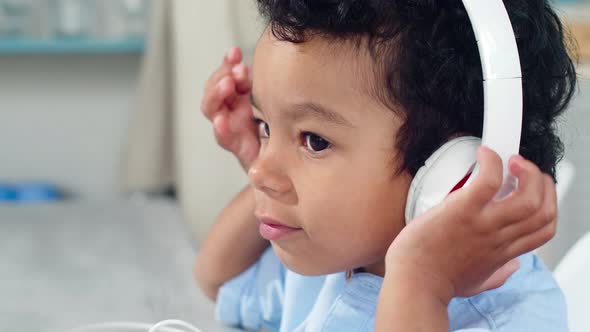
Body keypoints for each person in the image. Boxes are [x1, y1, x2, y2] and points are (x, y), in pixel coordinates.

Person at [195, 1, 577, 331]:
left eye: (315, 141)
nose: (261, 171)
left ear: (454, 176)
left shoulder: (511, 319)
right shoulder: (341, 255)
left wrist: (422, 284)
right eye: (264, 126)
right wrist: (259, 162)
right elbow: (218, 280)